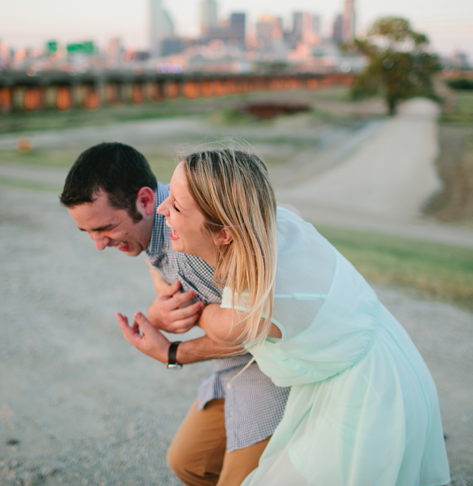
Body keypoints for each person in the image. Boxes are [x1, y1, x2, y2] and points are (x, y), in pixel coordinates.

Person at [117, 149, 451, 485]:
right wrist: (162, 287)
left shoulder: (257, 307)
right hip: (370, 354)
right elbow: (291, 208)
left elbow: (217, 324)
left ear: (225, 233)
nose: (162, 210)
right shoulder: (265, 222)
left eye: (175, 206)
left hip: (366, 395)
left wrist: (172, 339)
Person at [59, 143, 290, 486]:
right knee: (188, 463)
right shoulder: (153, 229)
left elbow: (250, 331)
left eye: (105, 228)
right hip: (230, 374)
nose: (99, 243)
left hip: (272, 372)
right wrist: (158, 309)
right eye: (88, 232)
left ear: (146, 200)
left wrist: (170, 352)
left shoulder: (190, 243)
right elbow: (168, 278)